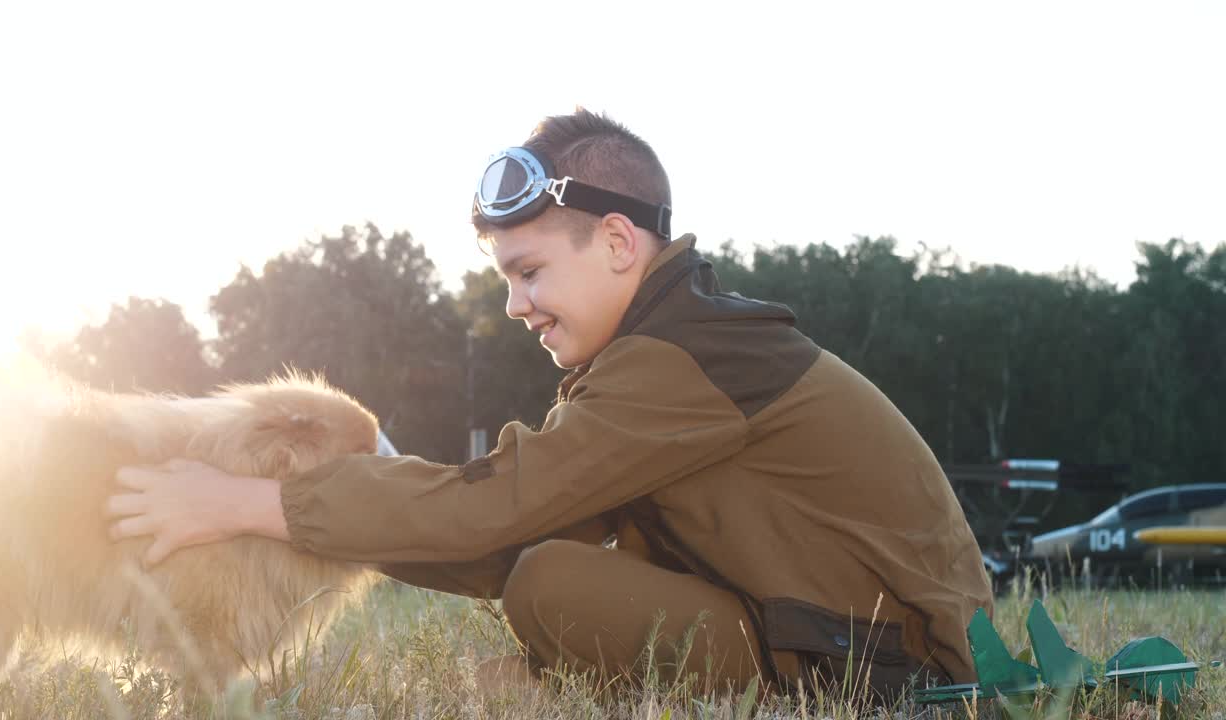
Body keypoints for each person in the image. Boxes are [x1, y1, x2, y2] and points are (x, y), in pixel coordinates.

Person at [107, 109, 992, 701]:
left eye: (529, 273)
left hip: (896, 668)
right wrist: (312, 524)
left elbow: (501, 503)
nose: (514, 306)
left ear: (616, 242)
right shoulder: (667, 347)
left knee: (549, 583)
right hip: (843, 633)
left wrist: (250, 503)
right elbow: (516, 524)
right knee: (548, 564)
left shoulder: (685, 357)